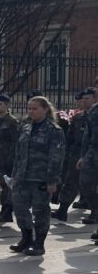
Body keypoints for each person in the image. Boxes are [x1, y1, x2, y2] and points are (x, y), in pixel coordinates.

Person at [8, 96, 65, 255]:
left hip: (40, 178)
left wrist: (52, 181)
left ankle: (39, 243)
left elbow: (56, 157)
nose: (31, 111)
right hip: (22, 177)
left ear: (45, 109)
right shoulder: (26, 128)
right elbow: (19, 154)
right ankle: (26, 238)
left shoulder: (54, 131)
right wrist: (14, 175)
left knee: (40, 211)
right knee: (19, 207)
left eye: (35, 108)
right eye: (29, 108)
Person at [52, 89, 93, 222]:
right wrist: (67, 153)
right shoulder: (78, 117)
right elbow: (69, 137)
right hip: (76, 154)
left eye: (87, 98)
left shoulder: (95, 116)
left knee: (90, 185)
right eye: (83, 99)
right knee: (70, 182)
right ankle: (62, 210)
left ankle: (95, 212)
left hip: (92, 155)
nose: (84, 101)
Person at [77, 87, 98, 234]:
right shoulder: (94, 110)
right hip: (93, 153)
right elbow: (87, 135)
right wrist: (83, 156)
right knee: (85, 184)